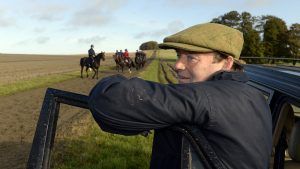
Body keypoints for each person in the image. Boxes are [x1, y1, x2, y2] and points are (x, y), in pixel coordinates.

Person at [88, 23, 272, 169]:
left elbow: (109, 99)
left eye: (191, 58)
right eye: (179, 56)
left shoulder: (208, 97)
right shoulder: (254, 96)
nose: (177, 65)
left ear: (227, 63)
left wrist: (113, 80)